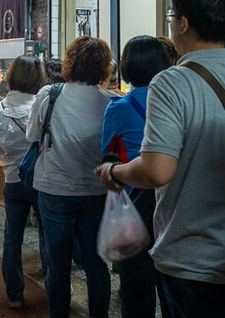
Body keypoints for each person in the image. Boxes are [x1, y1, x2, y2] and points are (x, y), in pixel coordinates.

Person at [96, 0, 225, 318]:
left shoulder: (171, 81)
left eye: (171, 15)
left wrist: (114, 172)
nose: (171, 23)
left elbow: (158, 170)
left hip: (195, 256)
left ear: (183, 24)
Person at [27, 36, 114, 318]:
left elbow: (31, 135)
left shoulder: (49, 94)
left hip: (54, 190)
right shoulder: (110, 103)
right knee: (96, 264)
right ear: (103, 67)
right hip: (96, 192)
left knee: (58, 264)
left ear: (70, 63)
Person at [100, 36, 172, 318]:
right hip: (173, 204)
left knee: (136, 290)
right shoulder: (176, 103)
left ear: (127, 67)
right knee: (170, 288)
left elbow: (107, 157)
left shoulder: (118, 107)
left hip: (135, 207)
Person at [0, 56, 48, 310]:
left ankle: (14, 294)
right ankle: (53, 284)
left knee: (12, 238)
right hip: (42, 181)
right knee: (48, 234)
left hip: (12, 179)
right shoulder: (42, 105)